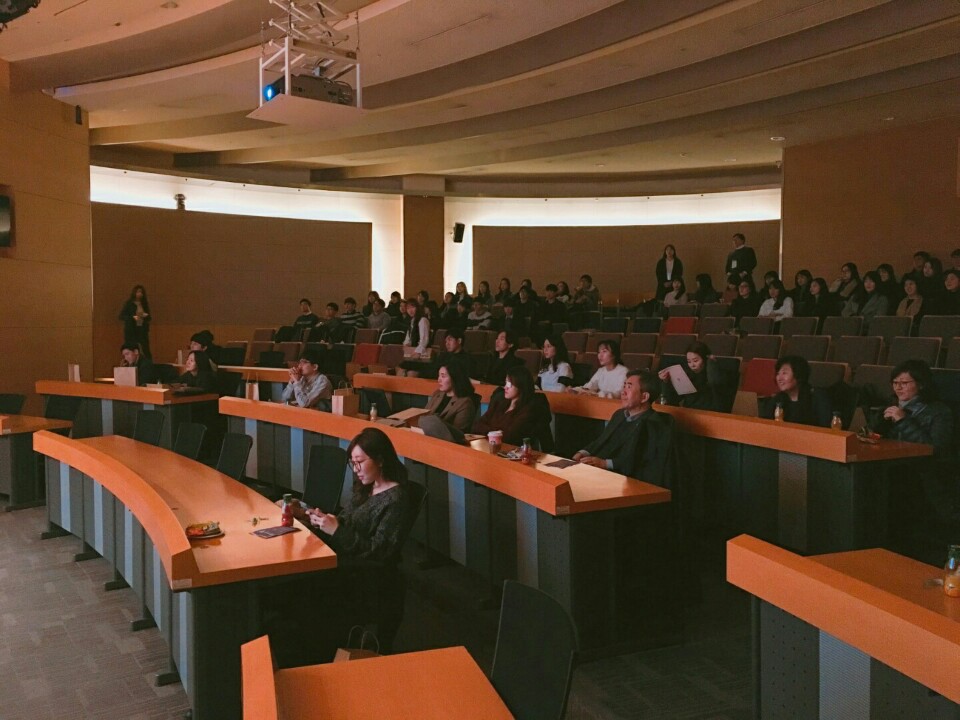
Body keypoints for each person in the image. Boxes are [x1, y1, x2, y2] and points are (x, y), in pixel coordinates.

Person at [302, 428, 412, 562]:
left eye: (359, 462)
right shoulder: (367, 486)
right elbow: (347, 521)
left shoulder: (396, 499)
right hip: (339, 553)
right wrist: (323, 521)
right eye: (353, 463)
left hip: (357, 567)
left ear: (380, 460)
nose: (355, 469)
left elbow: (379, 552)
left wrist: (336, 530)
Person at [572, 369, 668, 475]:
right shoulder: (619, 414)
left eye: (629, 387)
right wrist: (584, 452)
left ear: (644, 397)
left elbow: (642, 462)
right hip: (598, 470)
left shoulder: (654, 424)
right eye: (624, 386)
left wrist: (605, 463)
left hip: (624, 478)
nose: (623, 392)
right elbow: (602, 440)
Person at [472, 366, 551, 448]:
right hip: (489, 447)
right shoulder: (500, 402)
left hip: (511, 451)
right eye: (506, 383)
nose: (505, 387)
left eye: (510, 384)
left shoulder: (529, 408)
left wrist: (488, 431)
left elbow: (509, 437)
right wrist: (496, 432)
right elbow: (476, 426)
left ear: (521, 386)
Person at [759, 355, 832, 427]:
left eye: (784, 373)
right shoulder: (777, 399)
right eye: (778, 373)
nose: (779, 378)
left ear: (798, 374)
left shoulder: (817, 397)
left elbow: (827, 428)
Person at [657, 341, 727, 412]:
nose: (692, 365)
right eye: (689, 361)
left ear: (705, 359)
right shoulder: (687, 374)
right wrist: (666, 381)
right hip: (688, 413)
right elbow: (672, 400)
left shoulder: (715, 374)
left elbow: (714, 383)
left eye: (695, 361)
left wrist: (711, 363)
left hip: (709, 414)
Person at [424, 362, 478, 433]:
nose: (439, 380)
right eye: (439, 376)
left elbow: (458, 432)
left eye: (443, 376)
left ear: (454, 378)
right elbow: (424, 415)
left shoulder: (465, 403)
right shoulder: (437, 394)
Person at [118, 284, 152, 358]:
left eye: (141, 292)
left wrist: (145, 315)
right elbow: (121, 316)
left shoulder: (144, 304)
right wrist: (133, 317)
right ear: (134, 293)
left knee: (145, 349)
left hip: (142, 330)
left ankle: (147, 363)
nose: (140, 294)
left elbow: (149, 317)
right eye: (138, 292)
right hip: (131, 330)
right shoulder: (129, 304)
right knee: (132, 349)